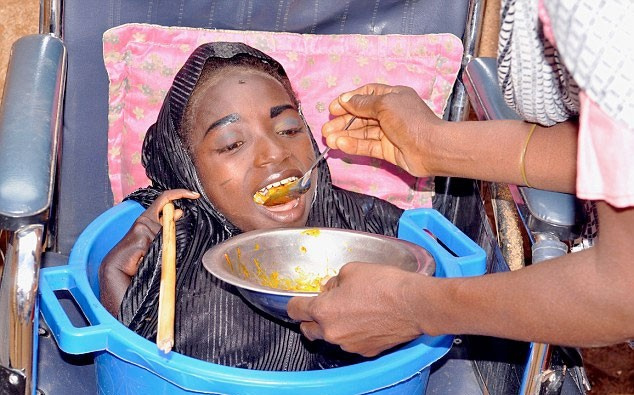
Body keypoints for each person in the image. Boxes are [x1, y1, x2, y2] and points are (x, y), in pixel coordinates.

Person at [287, 0, 634, 357]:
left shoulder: (600, 16)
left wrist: (413, 307)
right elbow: (615, 154)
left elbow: (622, 290)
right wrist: (435, 146)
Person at [98, 41, 405, 370]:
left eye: (288, 129)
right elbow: (138, 371)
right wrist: (112, 275)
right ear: (189, 170)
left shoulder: (367, 228)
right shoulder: (175, 247)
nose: (274, 152)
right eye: (233, 143)